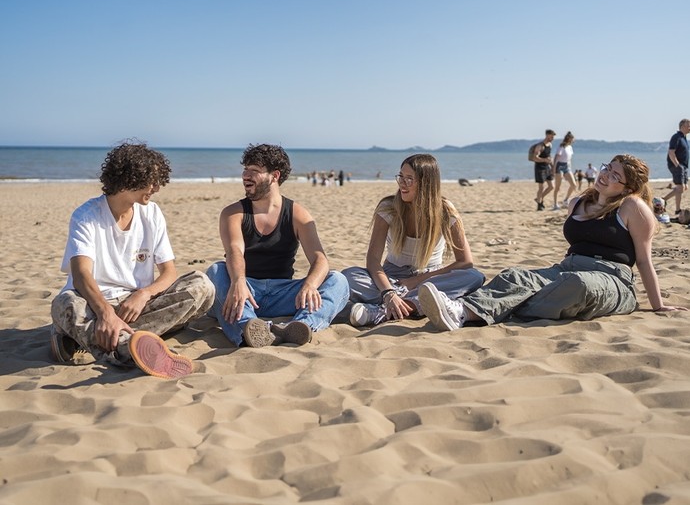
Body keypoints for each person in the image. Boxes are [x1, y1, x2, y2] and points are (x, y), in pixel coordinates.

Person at [417, 154, 687, 332]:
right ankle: (461, 311)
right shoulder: (577, 203)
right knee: (515, 276)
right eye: (607, 168)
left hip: (612, 280)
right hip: (567, 267)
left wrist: (657, 303)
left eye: (615, 175)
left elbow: (643, 260)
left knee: (576, 286)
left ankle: (488, 310)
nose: (605, 175)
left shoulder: (633, 207)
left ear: (627, 188)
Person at [50, 142, 215, 378]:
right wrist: (106, 314)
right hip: (93, 304)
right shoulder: (86, 216)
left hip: (136, 307)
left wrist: (144, 294)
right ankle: (131, 347)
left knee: (202, 285)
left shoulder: (152, 213)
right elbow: (81, 275)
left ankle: (88, 340)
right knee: (65, 304)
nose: (157, 188)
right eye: (152, 181)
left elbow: (169, 272)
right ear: (130, 178)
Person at [206, 144, 349, 347]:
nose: (245, 175)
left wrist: (310, 285)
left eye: (254, 171)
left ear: (275, 176)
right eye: (245, 169)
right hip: (244, 291)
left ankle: (299, 326)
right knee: (216, 271)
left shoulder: (297, 214)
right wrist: (238, 280)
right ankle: (250, 329)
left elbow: (320, 259)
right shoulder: (233, 213)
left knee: (338, 280)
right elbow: (234, 251)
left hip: (283, 294)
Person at [342, 154, 485, 326]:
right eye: (401, 177)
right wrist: (388, 292)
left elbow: (465, 262)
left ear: (426, 183)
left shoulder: (445, 211)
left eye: (409, 179)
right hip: (392, 276)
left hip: (430, 278)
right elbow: (373, 260)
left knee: (474, 276)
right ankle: (408, 304)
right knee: (348, 276)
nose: (402, 183)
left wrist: (415, 281)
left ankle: (382, 312)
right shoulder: (388, 208)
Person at [662, 119, 690, 215]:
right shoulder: (676, 137)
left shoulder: (684, 137)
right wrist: (677, 165)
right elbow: (671, 152)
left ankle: (664, 200)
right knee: (680, 187)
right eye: (688, 126)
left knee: (684, 187)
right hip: (677, 165)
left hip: (684, 166)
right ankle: (677, 209)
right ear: (682, 126)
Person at [552, 131, 577, 210]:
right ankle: (555, 204)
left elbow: (569, 159)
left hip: (567, 166)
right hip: (559, 166)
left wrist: (570, 168)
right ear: (569, 138)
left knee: (574, 185)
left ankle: (566, 199)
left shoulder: (570, 147)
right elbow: (556, 157)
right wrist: (553, 168)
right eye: (573, 139)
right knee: (557, 187)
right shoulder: (562, 146)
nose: (574, 140)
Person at [532, 129, 556, 211]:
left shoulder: (550, 145)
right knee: (541, 187)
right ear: (547, 135)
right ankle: (539, 204)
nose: (552, 138)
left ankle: (539, 198)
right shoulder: (540, 146)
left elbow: (549, 157)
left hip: (547, 168)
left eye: (553, 136)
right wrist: (544, 160)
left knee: (551, 186)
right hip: (539, 168)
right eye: (551, 136)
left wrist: (552, 167)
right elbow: (535, 157)